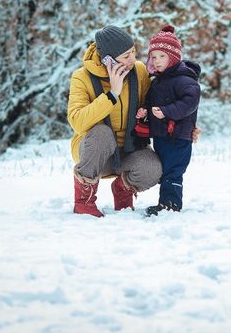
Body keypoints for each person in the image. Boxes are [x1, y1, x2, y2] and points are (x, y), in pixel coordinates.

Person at [67, 25, 162, 217]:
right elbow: (77, 122)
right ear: (107, 59)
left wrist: (183, 125)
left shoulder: (139, 71)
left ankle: (122, 190)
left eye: (133, 52)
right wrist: (112, 94)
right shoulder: (81, 77)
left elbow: (153, 105)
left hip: (129, 150)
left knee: (152, 168)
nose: (133, 59)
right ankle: (83, 202)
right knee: (102, 133)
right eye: (126, 56)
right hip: (95, 152)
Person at [136, 25, 201, 216]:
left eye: (162, 56)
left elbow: (190, 101)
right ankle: (165, 202)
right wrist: (145, 112)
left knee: (173, 171)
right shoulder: (158, 81)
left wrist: (166, 112)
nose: (156, 61)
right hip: (162, 136)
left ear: (173, 57)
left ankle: (170, 204)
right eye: (153, 57)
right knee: (165, 170)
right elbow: (152, 103)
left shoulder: (185, 80)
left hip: (178, 136)